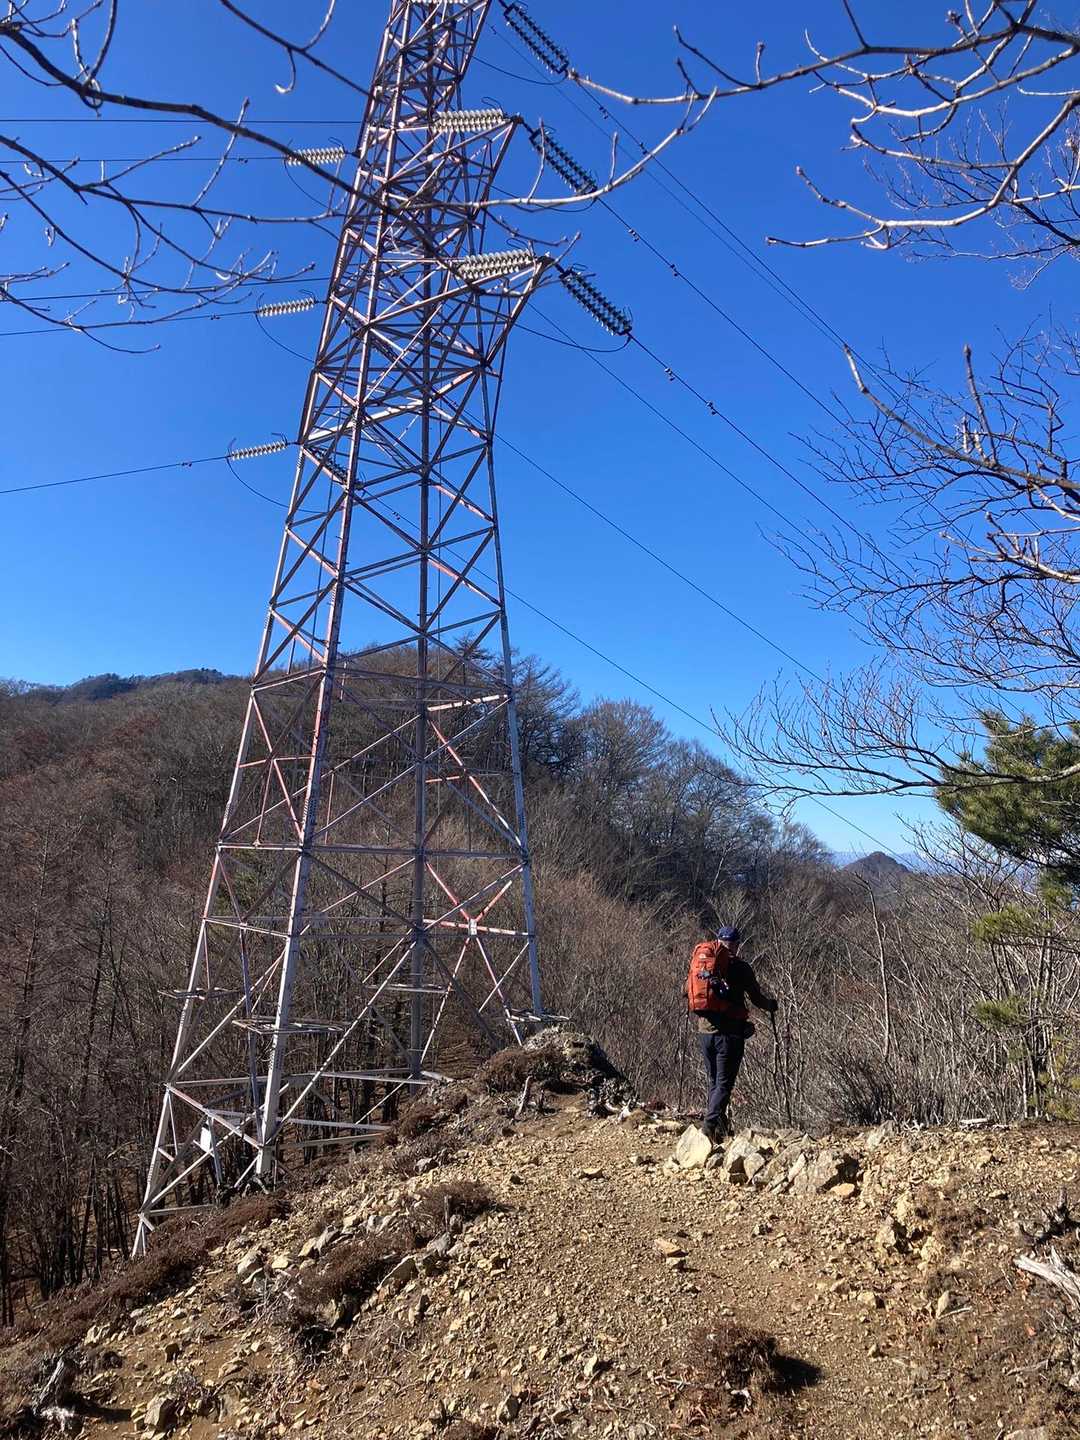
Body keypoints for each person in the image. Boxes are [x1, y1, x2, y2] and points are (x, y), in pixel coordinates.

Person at [686, 925, 777, 1143]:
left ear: (718, 941)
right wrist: (771, 1005)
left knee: (714, 1081)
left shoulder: (703, 964)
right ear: (736, 945)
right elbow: (756, 998)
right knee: (724, 1083)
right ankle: (708, 1128)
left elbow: (685, 990)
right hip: (729, 1035)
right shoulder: (740, 968)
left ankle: (720, 1128)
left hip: (704, 1032)